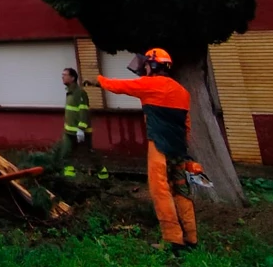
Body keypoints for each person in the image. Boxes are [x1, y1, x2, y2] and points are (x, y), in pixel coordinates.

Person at [85, 48, 197, 253]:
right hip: (179, 148)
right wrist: (183, 146)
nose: (144, 68)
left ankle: (173, 240)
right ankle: (191, 237)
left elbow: (121, 86)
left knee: (160, 190)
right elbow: (187, 124)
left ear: (154, 65)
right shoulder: (182, 91)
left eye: (146, 64)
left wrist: (98, 80)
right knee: (181, 190)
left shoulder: (149, 84)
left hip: (159, 146)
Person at [60, 67, 108, 181]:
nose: (62, 77)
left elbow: (84, 112)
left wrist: (81, 129)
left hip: (81, 131)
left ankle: (103, 173)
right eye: (62, 75)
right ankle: (69, 176)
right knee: (65, 153)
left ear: (72, 78)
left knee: (89, 153)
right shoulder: (70, 92)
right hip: (69, 131)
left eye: (65, 75)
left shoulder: (79, 93)